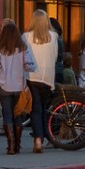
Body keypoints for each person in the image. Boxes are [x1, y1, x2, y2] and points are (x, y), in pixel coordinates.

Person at [0, 23, 32, 155]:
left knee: (7, 114)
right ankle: (17, 145)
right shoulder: (23, 49)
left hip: (4, 85)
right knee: (17, 114)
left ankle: (11, 145)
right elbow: (30, 66)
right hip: (19, 85)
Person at [24, 10, 61, 154]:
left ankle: (38, 138)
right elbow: (56, 56)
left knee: (35, 109)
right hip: (47, 78)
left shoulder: (26, 37)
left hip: (32, 77)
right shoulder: (53, 37)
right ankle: (46, 137)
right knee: (44, 108)